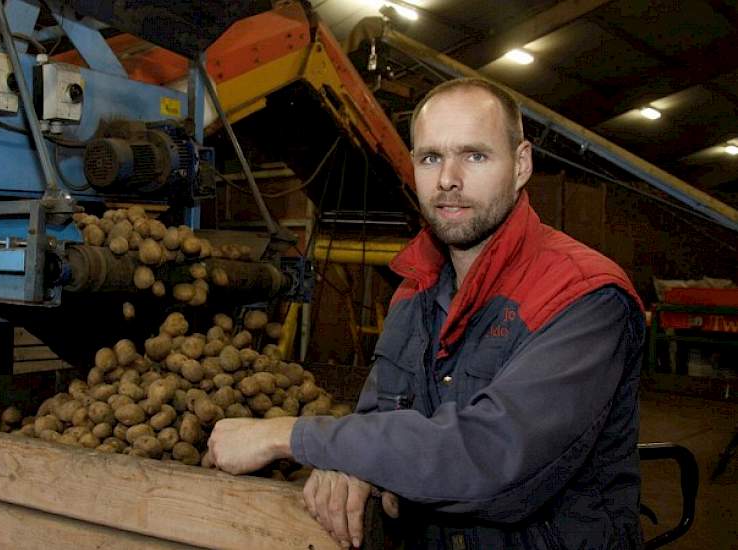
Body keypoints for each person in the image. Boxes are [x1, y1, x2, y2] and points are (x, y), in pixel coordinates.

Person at [206, 77, 646, 549]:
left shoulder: (584, 297)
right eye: (430, 157)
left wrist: (291, 436)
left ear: (521, 165)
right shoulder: (415, 290)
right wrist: (352, 466)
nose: (447, 180)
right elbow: (377, 420)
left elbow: (490, 459)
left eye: (474, 156)